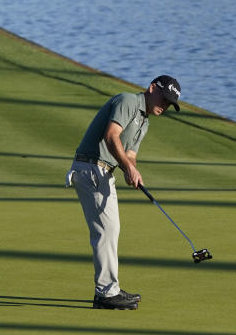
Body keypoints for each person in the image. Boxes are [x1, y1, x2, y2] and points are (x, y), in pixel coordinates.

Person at [66, 75, 182, 310]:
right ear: (152, 88)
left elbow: (129, 155)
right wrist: (128, 168)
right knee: (106, 230)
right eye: (164, 99)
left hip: (102, 171)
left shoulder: (145, 122)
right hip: (91, 167)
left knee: (111, 228)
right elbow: (111, 136)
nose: (165, 106)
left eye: (170, 103)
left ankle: (109, 290)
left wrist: (132, 170)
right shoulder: (128, 101)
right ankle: (106, 293)